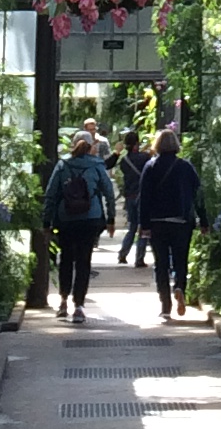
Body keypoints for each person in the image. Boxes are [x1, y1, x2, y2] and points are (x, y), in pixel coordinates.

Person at [41, 128, 115, 319]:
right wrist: (110, 218)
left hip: (66, 219)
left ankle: (63, 300)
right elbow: (109, 193)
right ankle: (79, 305)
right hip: (90, 218)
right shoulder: (97, 165)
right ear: (91, 147)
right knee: (84, 260)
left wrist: (47, 222)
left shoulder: (63, 165)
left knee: (66, 258)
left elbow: (51, 194)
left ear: (73, 145)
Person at [137, 124, 206, 321]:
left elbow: (144, 198)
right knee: (180, 259)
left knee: (161, 264)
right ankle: (179, 287)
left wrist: (144, 225)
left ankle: (165, 305)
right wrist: (204, 220)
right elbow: (198, 195)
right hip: (181, 222)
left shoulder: (150, 167)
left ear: (157, 145)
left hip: (157, 222)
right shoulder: (186, 167)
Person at [116, 128, 149, 268]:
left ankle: (123, 253)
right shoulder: (145, 158)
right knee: (143, 227)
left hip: (130, 196)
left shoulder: (124, 161)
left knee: (132, 227)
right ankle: (139, 258)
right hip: (142, 196)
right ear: (137, 143)